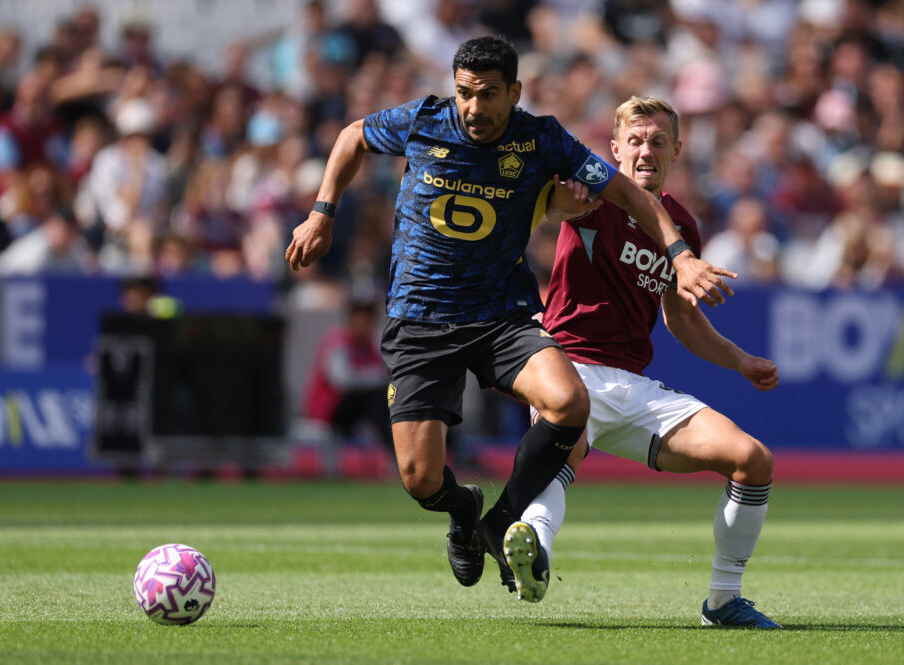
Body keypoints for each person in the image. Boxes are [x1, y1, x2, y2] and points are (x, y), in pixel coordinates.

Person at [285, 37, 735, 593]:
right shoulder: (424, 119)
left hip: (501, 316)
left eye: (489, 95)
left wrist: (681, 256)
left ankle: (504, 520)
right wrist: (321, 214)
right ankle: (463, 509)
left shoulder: (540, 139)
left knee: (570, 403)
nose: (474, 107)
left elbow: (631, 195)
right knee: (421, 480)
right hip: (419, 321)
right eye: (465, 93)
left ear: (514, 93)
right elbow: (352, 135)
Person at [501, 96, 782, 628]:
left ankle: (723, 601)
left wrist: (740, 361)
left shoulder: (680, 227)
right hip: (567, 371)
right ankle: (533, 549)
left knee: (753, 459)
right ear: (615, 149)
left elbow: (680, 321)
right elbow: (545, 202)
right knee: (564, 449)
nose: (645, 150)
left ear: (676, 150)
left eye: (656, 141)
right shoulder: (587, 197)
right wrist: (562, 196)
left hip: (635, 386)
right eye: (634, 140)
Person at [301, 290, 395, 462]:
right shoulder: (337, 341)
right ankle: (393, 452)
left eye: (369, 316)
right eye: (360, 315)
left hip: (356, 408)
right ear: (351, 317)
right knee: (376, 396)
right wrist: (377, 377)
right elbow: (342, 381)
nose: (365, 321)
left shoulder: (370, 344)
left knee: (388, 396)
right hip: (330, 410)